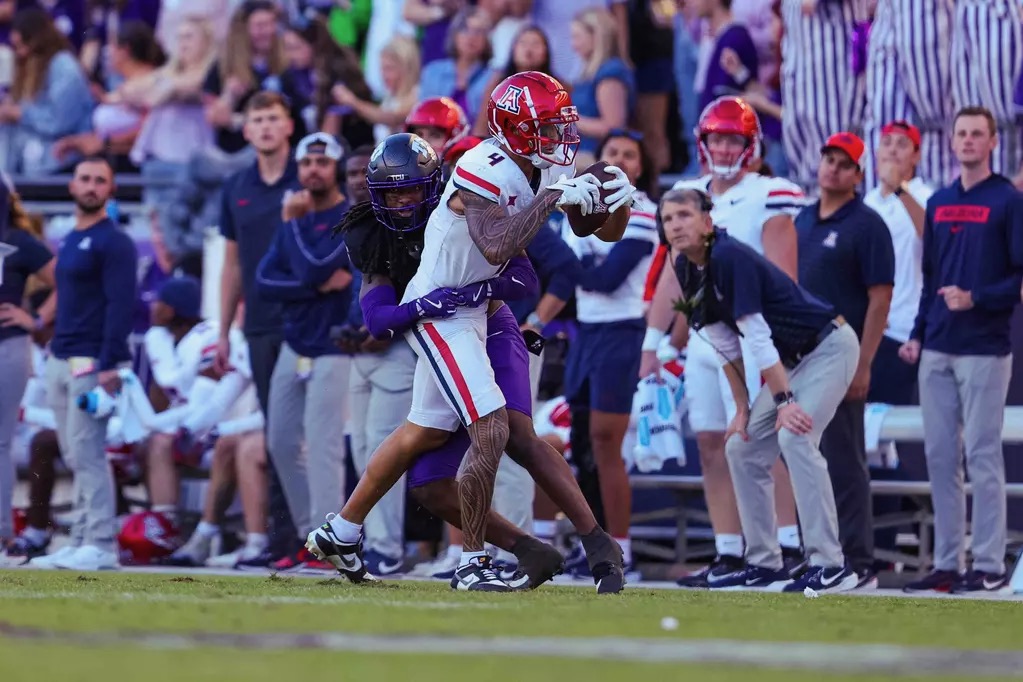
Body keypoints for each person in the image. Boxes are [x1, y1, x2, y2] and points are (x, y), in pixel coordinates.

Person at [399, 70, 633, 591]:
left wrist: (617, 202)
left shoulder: (546, 163)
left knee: (502, 440)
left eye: (561, 127)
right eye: (548, 128)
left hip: (484, 306)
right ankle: (470, 563)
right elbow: (496, 246)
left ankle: (598, 544)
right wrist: (552, 199)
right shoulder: (482, 163)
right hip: (441, 306)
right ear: (515, 128)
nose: (560, 139)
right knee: (489, 430)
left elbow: (591, 228)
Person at [307, 132, 566, 591]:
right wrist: (428, 305)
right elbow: (379, 320)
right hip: (433, 331)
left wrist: (467, 294)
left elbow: (524, 277)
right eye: (395, 192)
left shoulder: (461, 202)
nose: (405, 201)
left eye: (412, 189)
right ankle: (476, 557)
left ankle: (346, 530)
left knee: (455, 434)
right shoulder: (371, 230)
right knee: (453, 439)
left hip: (480, 326)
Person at [661, 187, 860, 594]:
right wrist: (740, 408)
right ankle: (764, 562)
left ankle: (831, 564)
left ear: (707, 221)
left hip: (828, 346)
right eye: (668, 219)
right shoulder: (686, 265)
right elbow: (724, 344)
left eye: (684, 215)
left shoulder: (729, 256)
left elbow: (756, 335)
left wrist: (784, 401)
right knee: (743, 445)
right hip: (792, 362)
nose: (676, 225)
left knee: (796, 434)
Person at [646, 96, 804, 588]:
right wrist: (654, 340)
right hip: (702, 339)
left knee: (762, 443)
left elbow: (784, 276)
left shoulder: (770, 192)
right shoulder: (687, 193)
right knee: (712, 442)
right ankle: (730, 550)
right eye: (717, 137)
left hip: (752, 335)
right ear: (703, 141)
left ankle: (786, 545)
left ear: (750, 143)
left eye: (733, 137)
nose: (724, 146)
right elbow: (674, 272)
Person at [900, 106, 1023, 593]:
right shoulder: (939, 202)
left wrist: (978, 298)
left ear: (993, 142)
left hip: (985, 348)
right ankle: (948, 562)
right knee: (939, 455)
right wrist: (917, 332)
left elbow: (1017, 276)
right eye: (962, 134)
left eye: (978, 134)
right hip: (938, 347)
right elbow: (930, 277)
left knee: (982, 454)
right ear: (950, 143)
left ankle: (989, 564)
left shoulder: (1008, 201)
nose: (969, 141)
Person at [794, 132, 895, 588]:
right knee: (800, 451)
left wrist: (866, 362)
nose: (832, 168)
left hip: (844, 354)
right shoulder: (801, 221)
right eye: (828, 159)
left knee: (845, 458)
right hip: (800, 357)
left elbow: (880, 298)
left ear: (858, 175)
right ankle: (817, 551)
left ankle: (858, 558)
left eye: (843, 163)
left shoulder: (867, 224)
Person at [30, 157, 137, 571]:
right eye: (85, 179)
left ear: (110, 190)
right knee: (75, 453)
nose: (91, 186)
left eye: (100, 181)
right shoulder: (71, 238)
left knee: (88, 452)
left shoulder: (115, 242)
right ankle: (80, 539)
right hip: (61, 356)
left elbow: (120, 306)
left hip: (92, 360)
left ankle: (100, 542)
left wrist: (111, 363)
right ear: (72, 186)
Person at [561, 128, 659, 579]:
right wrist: (581, 267)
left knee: (606, 441)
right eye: (612, 151)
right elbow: (566, 274)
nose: (619, 159)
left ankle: (622, 547)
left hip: (622, 331)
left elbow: (604, 279)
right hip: (587, 332)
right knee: (579, 443)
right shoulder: (577, 206)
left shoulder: (643, 212)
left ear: (641, 167)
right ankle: (593, 545)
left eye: (629, 154)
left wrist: (578, 266)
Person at [256, 132, 354, 571]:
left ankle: (327, 544)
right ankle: (307, 538)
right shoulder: (293, 219)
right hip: (294, 345)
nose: (314, 169)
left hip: (333, 346)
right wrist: (311, 286)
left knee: (323, 446)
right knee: (279, 441)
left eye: (322, 161)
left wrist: (294, 229)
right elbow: (265, 282)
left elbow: (316, 265)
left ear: (334, 168)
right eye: (307, 162)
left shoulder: (348, 217)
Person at [213, 90, 301, 564]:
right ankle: (281, 539)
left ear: (289, 125)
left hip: (307, 322)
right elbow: (231, 265)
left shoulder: (306, 177)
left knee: (303, 434)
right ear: (245, 130)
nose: (265, 127)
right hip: (261, 324)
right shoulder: (237, 186)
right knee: (276, 432)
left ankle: (310, 537)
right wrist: (224, 331)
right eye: (257, 119)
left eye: (274, 117)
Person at [141, 277, 269, 568]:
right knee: (158, 442)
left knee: (226, 444)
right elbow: (217, 399)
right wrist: (191, 428)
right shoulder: (228, 341)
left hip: (262, 429)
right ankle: (179, 532)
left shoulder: (213, 338)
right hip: (230, 427)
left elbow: (265, 411)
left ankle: (254, 542)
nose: (237, 314)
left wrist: (213, 429)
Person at [0, 179, 55, 545]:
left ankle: (2, 529)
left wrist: (35, 319)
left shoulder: (17, 240)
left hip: (7, 345)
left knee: (0, 443)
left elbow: (68, 279)